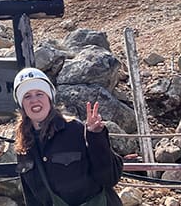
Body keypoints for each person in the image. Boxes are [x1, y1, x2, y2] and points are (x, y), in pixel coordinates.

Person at [13, 67, 123, 206]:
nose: (34, 100)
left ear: (50, 98)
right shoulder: (23, 144)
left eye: (40, 93)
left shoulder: (75, 129)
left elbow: (109, 178)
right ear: (21, 104)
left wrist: (96, 136)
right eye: (27, 96)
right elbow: (32, 198)